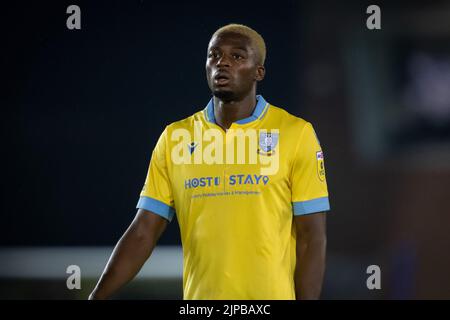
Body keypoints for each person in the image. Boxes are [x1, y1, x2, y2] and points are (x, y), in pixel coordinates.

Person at [89, 23, 330, 300]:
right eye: (214, 55)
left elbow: (312, 238)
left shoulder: (295, 134)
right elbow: (143, 231)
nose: (222, 62)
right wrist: (96, 296)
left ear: (258, 71)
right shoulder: (175, 138)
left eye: (237, 56)